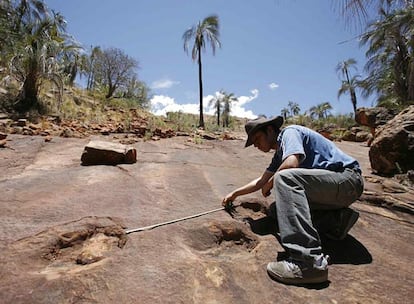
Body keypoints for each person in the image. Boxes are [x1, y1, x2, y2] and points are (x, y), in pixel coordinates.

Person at [222, 116, 364, 285]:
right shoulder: (279, 154)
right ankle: (335, 221)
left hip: (347, 180)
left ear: (269, 130)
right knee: (277, 209)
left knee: (285, 177)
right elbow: (261, 181)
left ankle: (308, 263)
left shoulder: (290, 133)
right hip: (334, 190)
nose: (255, 145)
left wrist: (270, 183)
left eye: (257, 138)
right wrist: (235, 194)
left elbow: (290, 165)